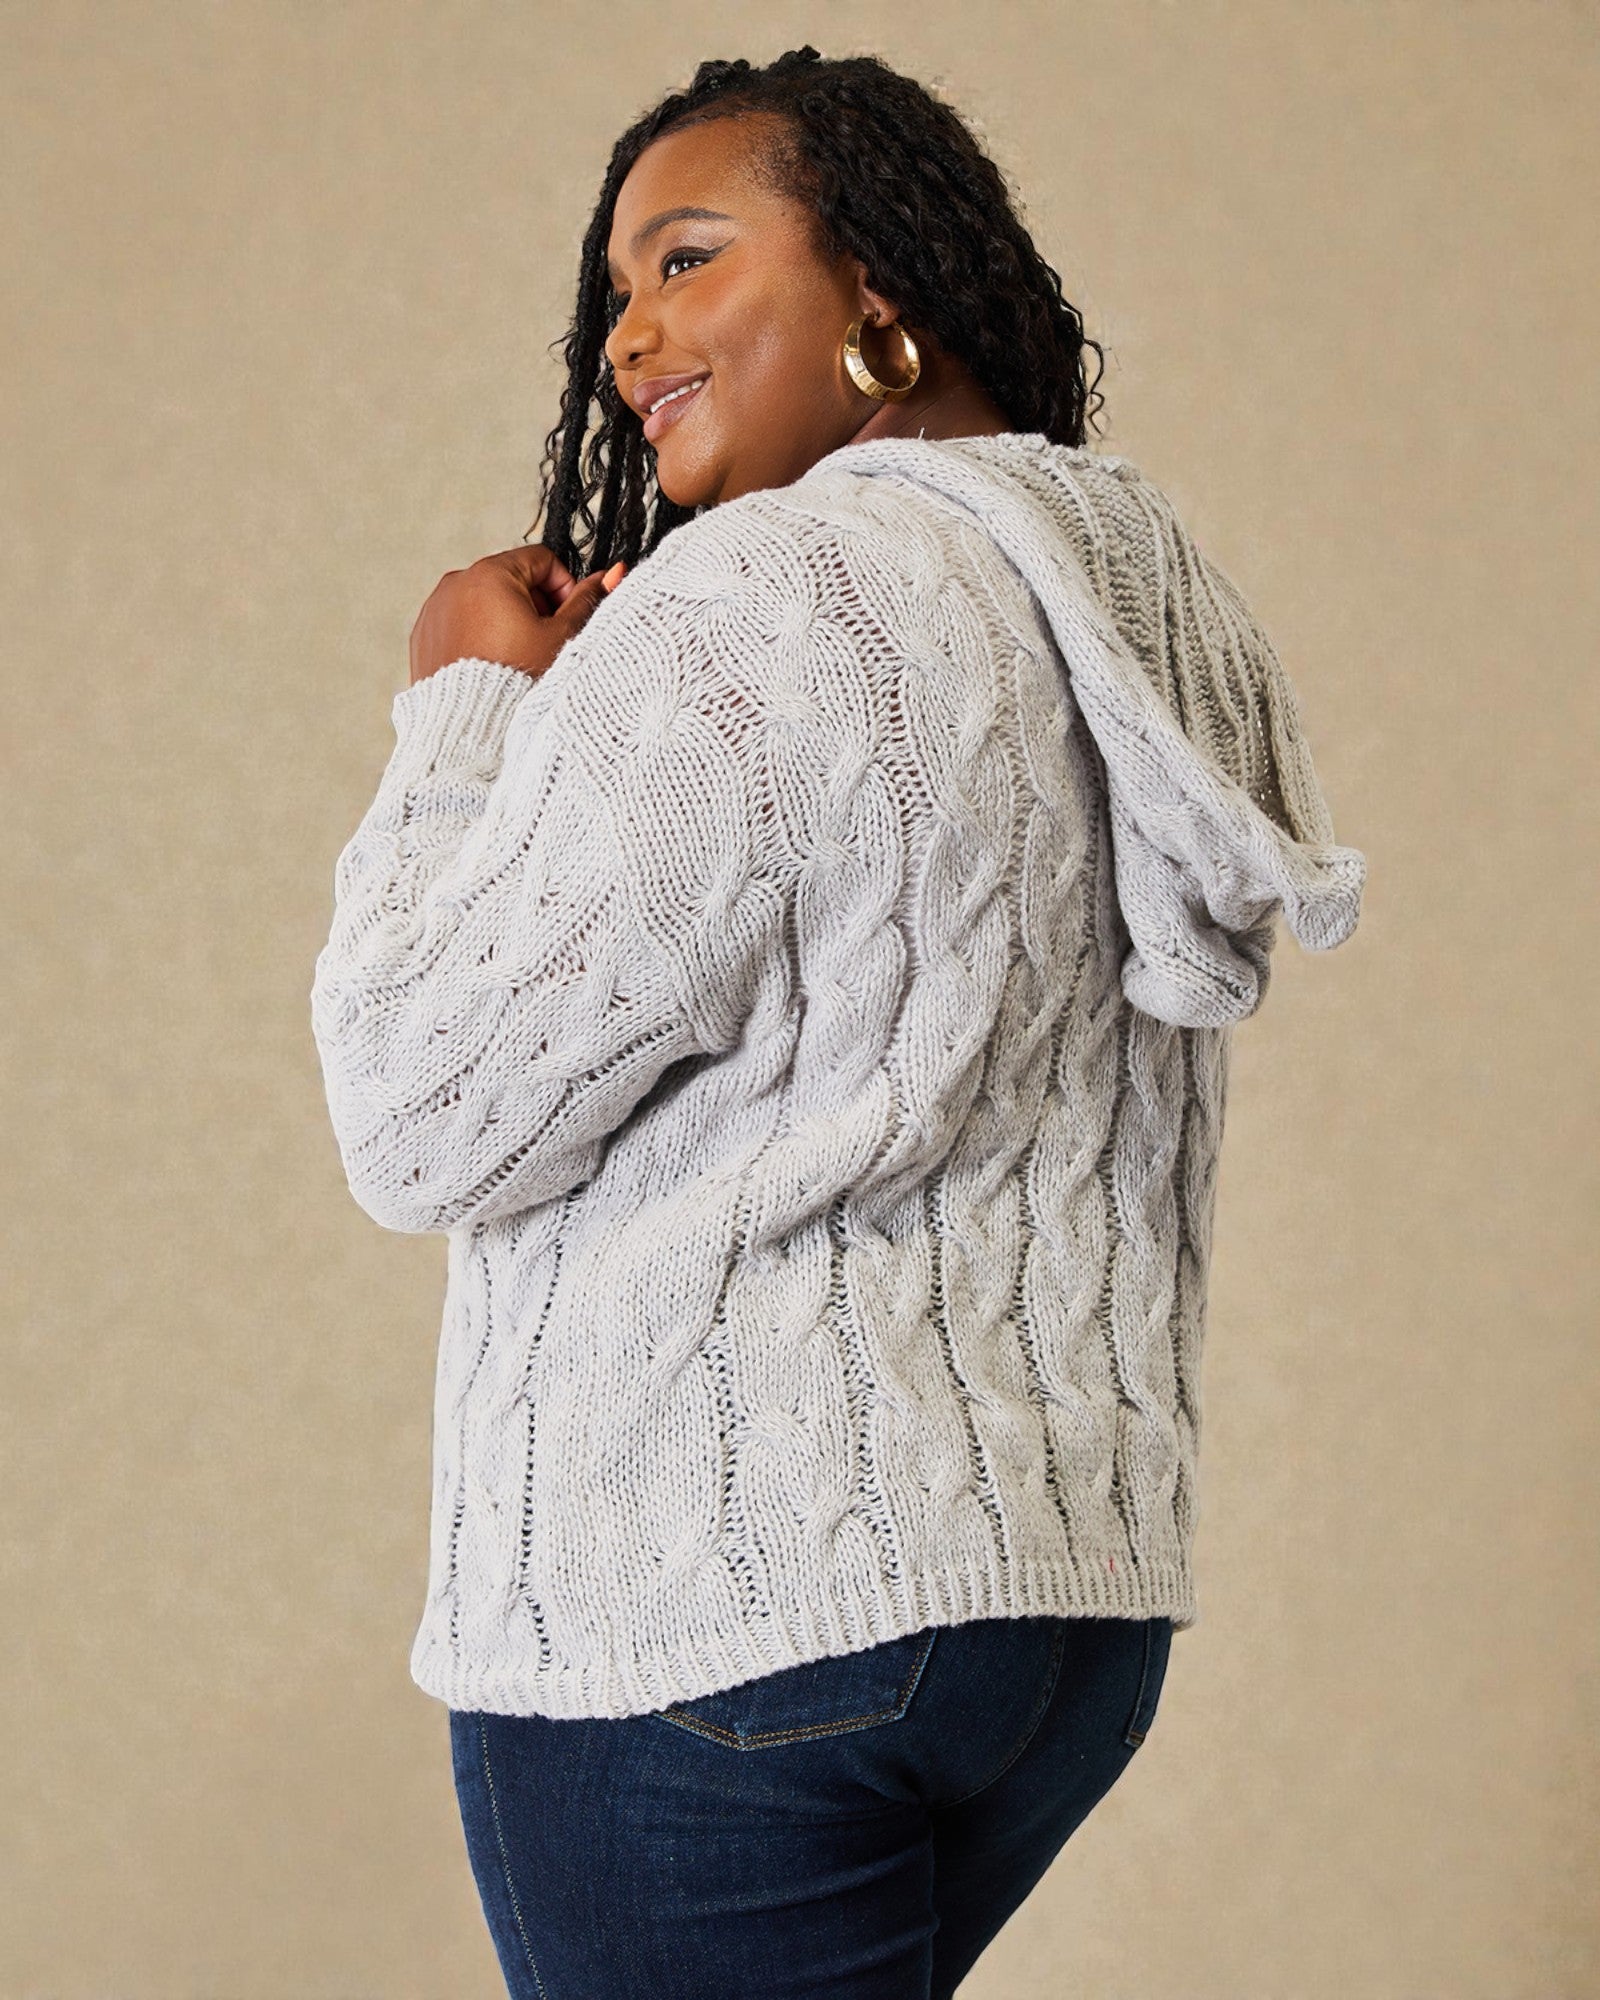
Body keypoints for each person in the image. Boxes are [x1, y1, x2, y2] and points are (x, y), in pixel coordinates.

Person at [309, 46, 1366, 2000]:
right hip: (1051, 1609)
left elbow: (415, 1104)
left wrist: (459, 716)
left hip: (719, 1614)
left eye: (688, 258)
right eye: (615, 292)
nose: (631, 336)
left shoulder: (750, 602)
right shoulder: (1123, 592)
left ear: (881, 291)